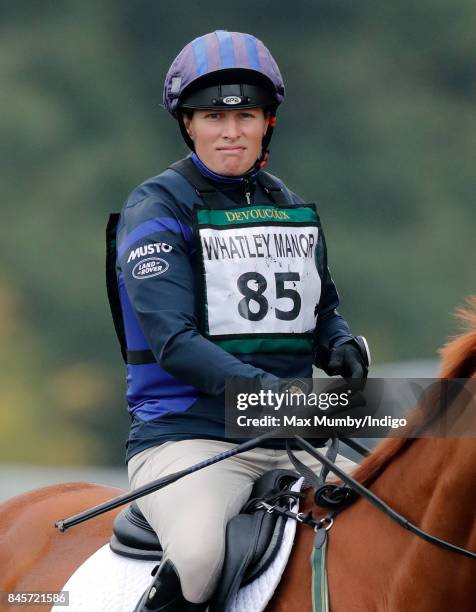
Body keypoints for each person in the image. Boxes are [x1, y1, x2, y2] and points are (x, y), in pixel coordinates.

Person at [106, 30, 370, 612]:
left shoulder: (285, 203)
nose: (230, 131)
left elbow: (320, 307)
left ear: (266, 123)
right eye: (212, 117)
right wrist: (270, 394)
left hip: (292, 433)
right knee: (199, 557)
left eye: (245, 115)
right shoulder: (156, 209)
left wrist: (339, 343)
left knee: (398, 516)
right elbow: (174, 343)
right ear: (188, 125)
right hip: (189, 435)